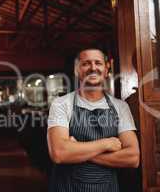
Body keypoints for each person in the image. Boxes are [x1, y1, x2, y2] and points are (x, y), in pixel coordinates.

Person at [47, 48, 140, 192]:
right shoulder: (61, 104)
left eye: (98, 63)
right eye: (86, 63)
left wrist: (78, 150)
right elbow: (59, 153)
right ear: (77, 69)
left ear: (106, 69)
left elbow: (133, 157)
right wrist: (106, 143)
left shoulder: (120, 107)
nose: (93, 68)